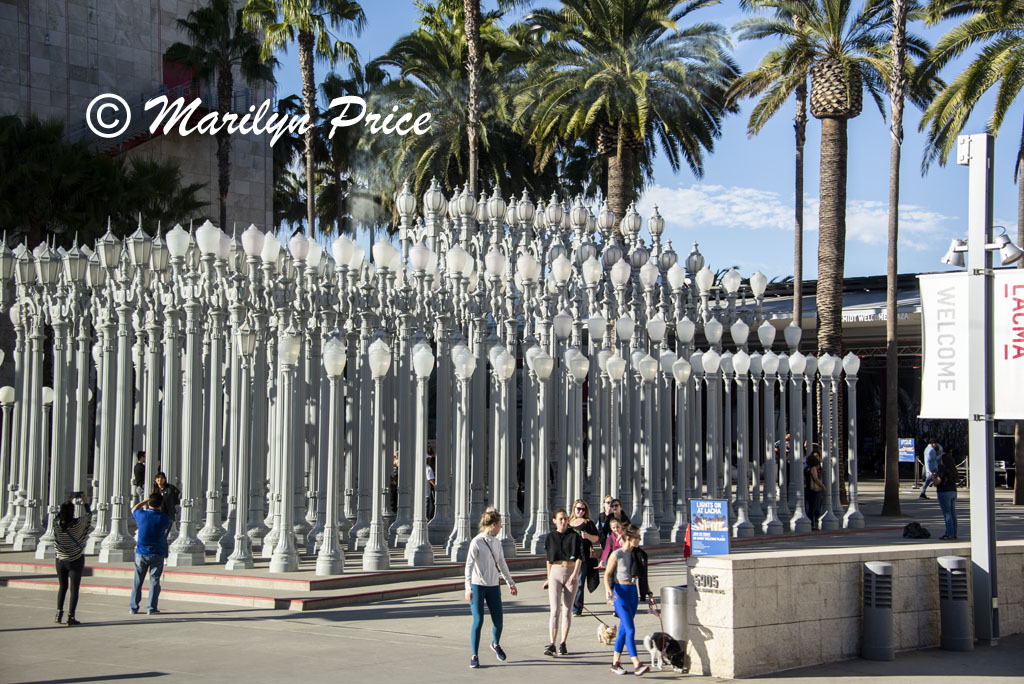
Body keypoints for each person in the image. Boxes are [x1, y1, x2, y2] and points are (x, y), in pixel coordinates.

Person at [464, 507, 518, 669]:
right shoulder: (477, 542)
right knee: (478, 620)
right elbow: (468, 566)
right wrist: (468, 588)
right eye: (500, 524)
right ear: (493, 524)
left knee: (498, 621)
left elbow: (501, 563)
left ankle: (495, 644)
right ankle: (474, 655)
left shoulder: (497, 542)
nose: (501, 527)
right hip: (478, 585)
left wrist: (510, 583)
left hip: (493, 585)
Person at [603, 525, 650, 676]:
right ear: (629, 538)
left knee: (623, 630)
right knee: (630, 629)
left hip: (632, 592)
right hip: (620, 593)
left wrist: (648, 592)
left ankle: (615, 663)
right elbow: (607, 574)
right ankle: (636, 663)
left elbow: (642, 575)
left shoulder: (637, 554)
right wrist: (608, 589)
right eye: (637, 537)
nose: (639, 540)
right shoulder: (617, 554)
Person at [543, 507, 582, 657]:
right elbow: (549, 560)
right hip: (555, 572)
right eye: (561, 519)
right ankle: (552, 643)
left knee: (567, 610)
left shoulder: (574, 536)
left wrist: (575, 574)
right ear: (554, 521)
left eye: (566, 518)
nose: (564, 521)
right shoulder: (550, 537)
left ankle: (563, 642)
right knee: (555, 610)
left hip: (570, 572)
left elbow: (579, 556)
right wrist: (548, 577)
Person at [130, 492, 171, 615]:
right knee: (154, 581)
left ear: (149, 503)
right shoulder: (164, 518)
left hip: (141, 552)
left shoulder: (141, 515)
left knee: (138, 581)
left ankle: (134, 607)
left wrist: (144, 501)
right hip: (157, 552)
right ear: (161, 504)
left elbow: (134, 509)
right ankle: (151, 608)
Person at [53, 492, 91, 626]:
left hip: (60, 560)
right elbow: (89, 516)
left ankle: (58, 614)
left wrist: (66, 502)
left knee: (62, 587)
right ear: (73, 512)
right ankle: (71, 616)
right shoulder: (78, 524)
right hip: (75, 559)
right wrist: (85, 502)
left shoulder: (57, 525)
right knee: (74, 589)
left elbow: (56, 517)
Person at [568, 499, 600, 616]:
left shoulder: (588, 523)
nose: (580, 511)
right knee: (568, 583)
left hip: (583, 557)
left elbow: (596, 538)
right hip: (569, 557)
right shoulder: (568, 522)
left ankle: (577, 608)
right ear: (574, 509)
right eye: (578, 509)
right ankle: (569, 605)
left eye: (583, 509)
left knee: (579, 582)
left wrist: (587, 536)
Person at [934, 452, 959, 540]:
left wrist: (933, 477)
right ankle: (954, 533)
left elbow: (938, 482)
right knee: (952, 513)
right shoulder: (953, 469)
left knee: (947, 513)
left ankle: (949, 534)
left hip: (944, 491)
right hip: (953, 491)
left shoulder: (942, 469)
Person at [803, 449, 825, 530]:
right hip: (814, 489)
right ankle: (813, 523)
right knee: (814, 508)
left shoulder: (806, 468)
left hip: (807, 489)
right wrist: (823, 486)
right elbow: (816, 479)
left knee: (810, 507)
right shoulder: (813, 468)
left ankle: (812, 523)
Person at [425, 450, 436, 520]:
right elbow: (431, 479)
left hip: (416, 494)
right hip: (426, 493)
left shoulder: (415, 467)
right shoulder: (428, 468)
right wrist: (436, 486)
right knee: (426, 508)